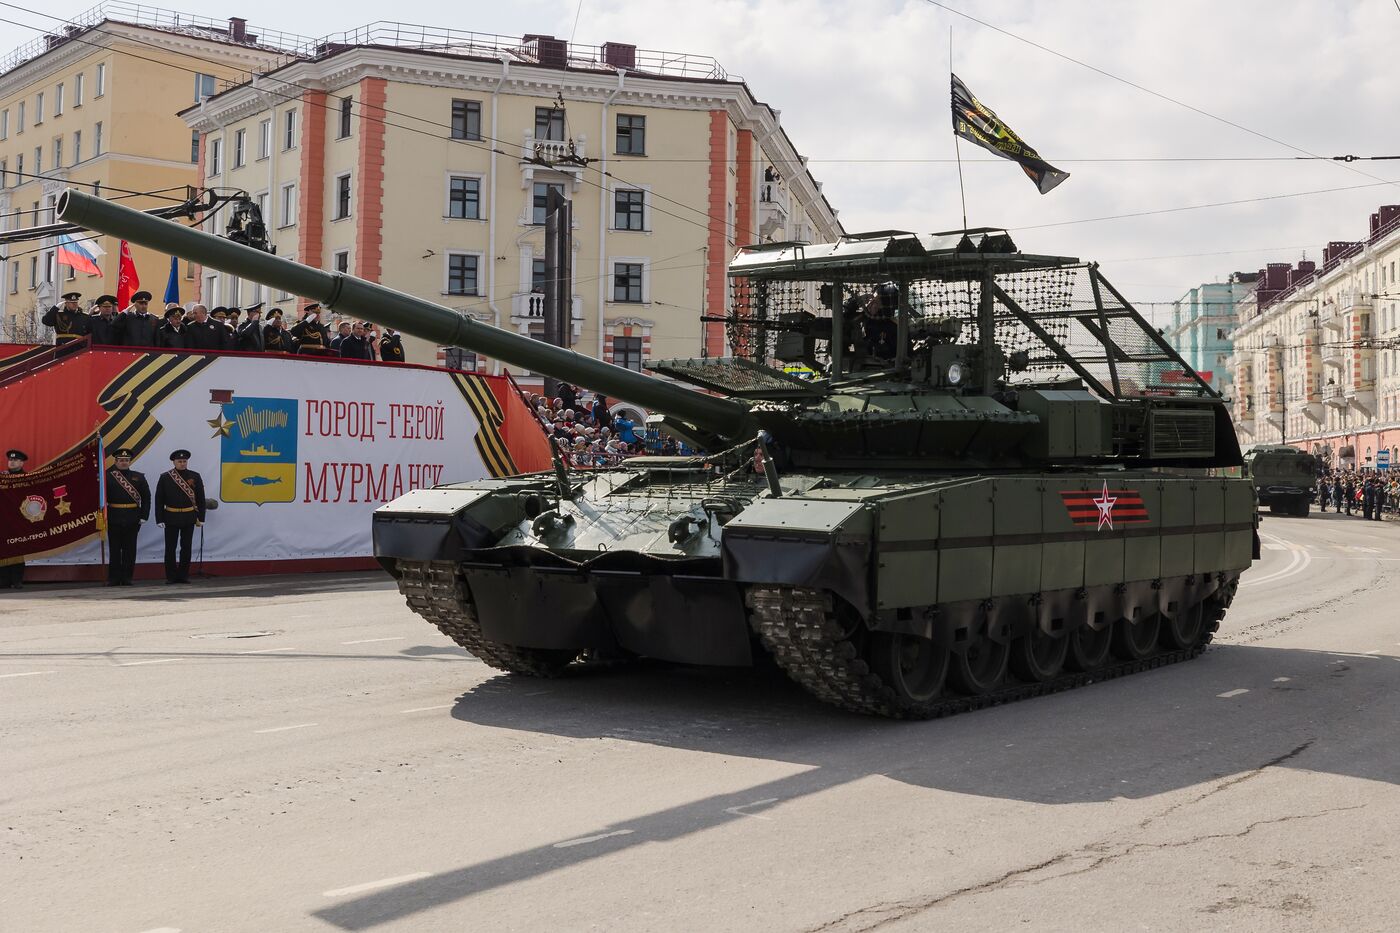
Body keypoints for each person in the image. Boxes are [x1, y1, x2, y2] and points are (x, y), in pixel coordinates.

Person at [155, 449, 205, 584]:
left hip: (189, 516)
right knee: (170, 548)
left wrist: (201, 517)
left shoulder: (195, 476)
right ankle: (171, 576)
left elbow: (201, 498)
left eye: (184, 461)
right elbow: (159, 500)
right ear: (174, 462)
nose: (182, 463)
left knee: (186, 547)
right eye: (179, 461)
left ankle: (183, 575)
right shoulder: (165, 477)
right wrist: (159, 519)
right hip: (171, 516)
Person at [104, 447, 150, 586]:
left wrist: (144, 516)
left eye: (126, 460)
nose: (124, 462)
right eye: (121, 460)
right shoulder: (108, 477)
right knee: (114, 549)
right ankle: (113, 578)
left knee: (130, 550)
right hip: (114, 517)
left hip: (132, 517)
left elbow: (146, 498)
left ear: (130, 462)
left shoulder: (139, 477)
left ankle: (127, 578)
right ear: (116, 461)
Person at [0, 449, 27, 588]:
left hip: (18, 518)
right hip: (3, 518)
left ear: (22, 463)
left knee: (17, 548)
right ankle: (3, 580)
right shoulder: (2, 477)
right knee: (3, 548)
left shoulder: (27, 478)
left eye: (15, 460)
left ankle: (17, 580)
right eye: (10, 460)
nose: (12, 462)